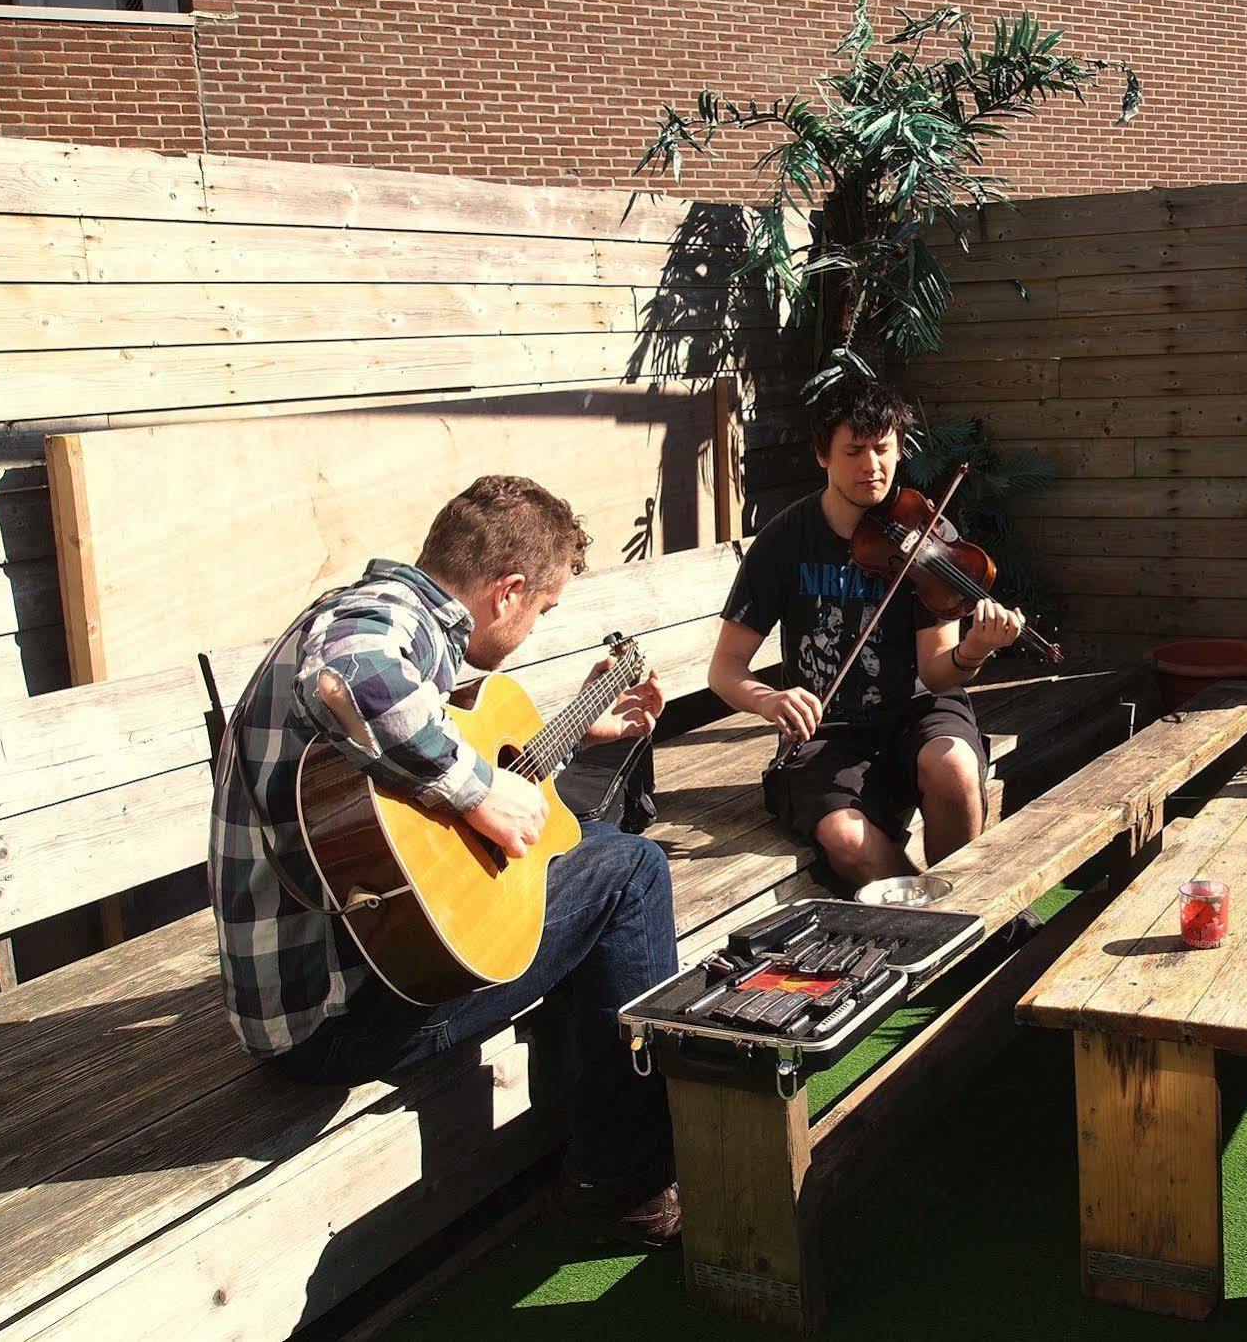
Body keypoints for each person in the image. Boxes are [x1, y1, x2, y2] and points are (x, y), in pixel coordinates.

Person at [207, 474, 681, 1247]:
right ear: (508, 590)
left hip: (353, 962)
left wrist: (562, 739)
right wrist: (476, 789)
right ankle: (616, 1178)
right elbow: (347, 677)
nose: (532, 630)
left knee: (591, 849)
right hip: (340, 1011)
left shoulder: (393, 615)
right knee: (634, 873)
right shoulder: (390, 623)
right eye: (542, 610)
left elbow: (414, 799)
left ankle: (599, 1126)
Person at [708, 380, 1025, 886]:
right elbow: (724, 670)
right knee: (846, 839)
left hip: (919, 711)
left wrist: (974, 649)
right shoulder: (785, 541)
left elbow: (938, 675)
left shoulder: (925, 535)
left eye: (882, 449)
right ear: (822, 456)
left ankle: (971, 907)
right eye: (853, 451)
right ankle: (941, 915)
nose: (871, 466)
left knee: (956, 768)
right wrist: (769, 701)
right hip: (829, 729)